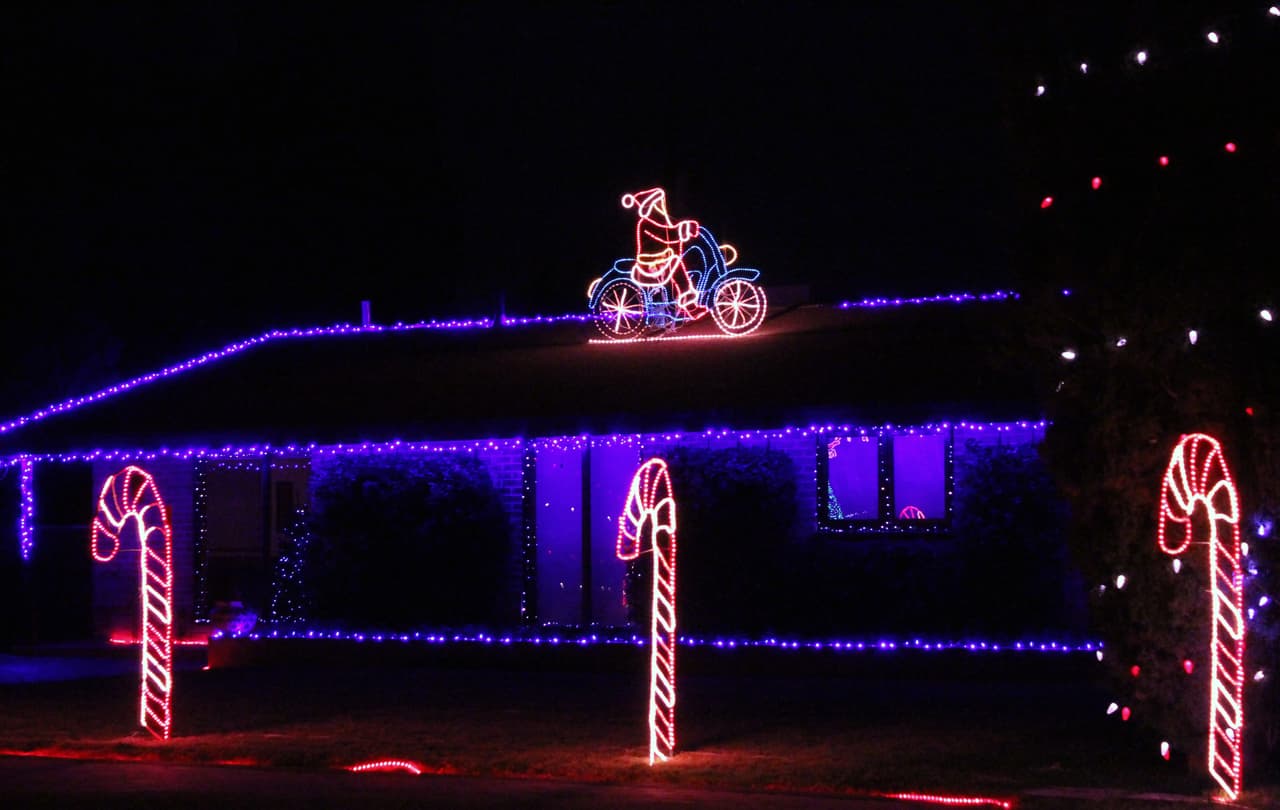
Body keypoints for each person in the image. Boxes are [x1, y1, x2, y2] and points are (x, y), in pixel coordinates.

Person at [621, 187, 705, 317]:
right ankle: (689, 306)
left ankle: (684, 304)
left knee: (678, 260)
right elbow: (669, 235)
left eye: (660, 203)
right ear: (651, 206)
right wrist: (683, 229)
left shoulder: (659, 221)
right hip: (649, 265)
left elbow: (670, 230)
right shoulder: (646, 223)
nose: (661, 206)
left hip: (660, 260)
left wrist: (686, 227)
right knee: (677, 264)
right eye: (657, 203)